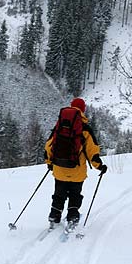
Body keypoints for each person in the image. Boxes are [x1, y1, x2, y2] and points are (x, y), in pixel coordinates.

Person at [44, 97, 107, 227]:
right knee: (75, 195)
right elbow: (92, 152)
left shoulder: (60, 126)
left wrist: (49, 163)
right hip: (77, 172)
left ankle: (54, 216)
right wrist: (100, 166)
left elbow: (48, 146)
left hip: (59, 169)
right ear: (83, 110)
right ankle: (72, 217)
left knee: (59, 194)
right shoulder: (85, 129)